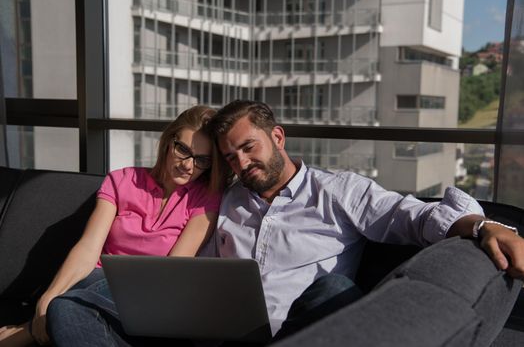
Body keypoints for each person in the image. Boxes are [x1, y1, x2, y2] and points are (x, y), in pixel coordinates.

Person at [42, 100, 524, 346]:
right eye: (230, 157)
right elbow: (184, 262)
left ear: (277, 136)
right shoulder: (223, 199)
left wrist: (483, 227)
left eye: (249, 147)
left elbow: (416, 217)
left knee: (334, 289)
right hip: (218, 335)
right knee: (70, 309)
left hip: (299, 332)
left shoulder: (339, 190)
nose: (241, 161)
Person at [0, 105, 227, 347]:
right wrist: (46, 299)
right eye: (183, 149)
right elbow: (89, 247)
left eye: (202, 160)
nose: (188, 165)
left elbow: (171, 271)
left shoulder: (207, 198)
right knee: (65, 303)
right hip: (94, 282)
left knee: (66, 308)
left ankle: (32, 331)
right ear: (169, 141)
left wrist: (37, 321)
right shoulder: (121, 180)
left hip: (150, 295)